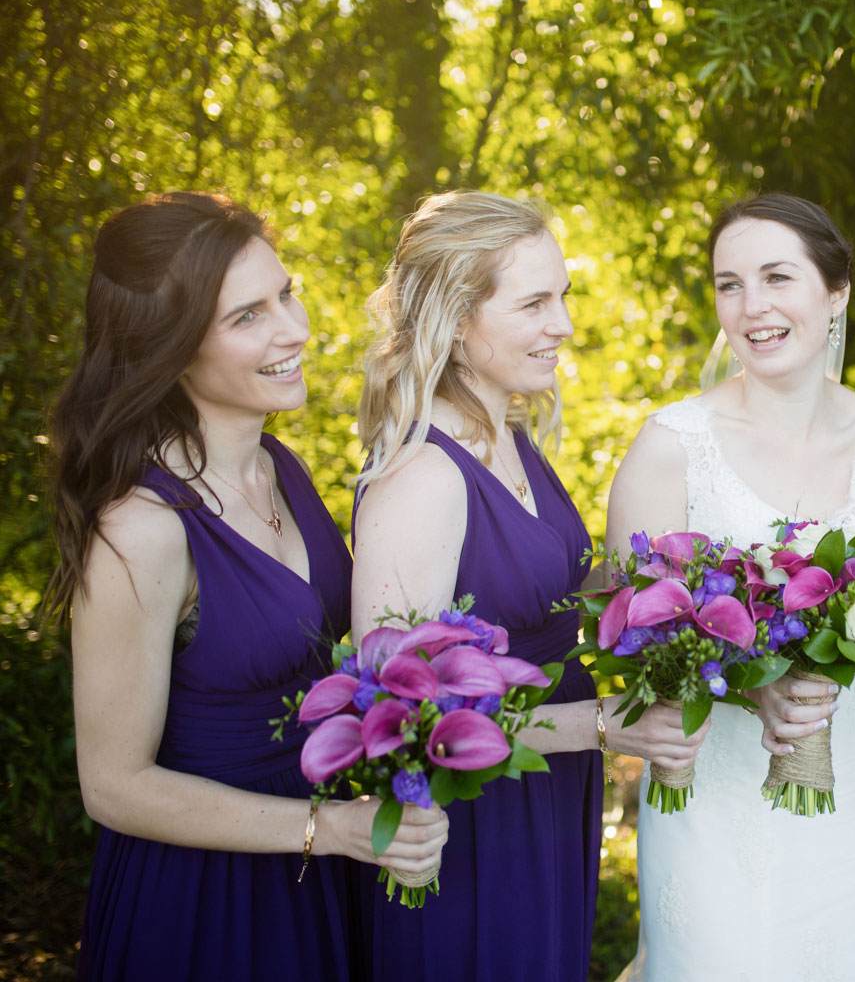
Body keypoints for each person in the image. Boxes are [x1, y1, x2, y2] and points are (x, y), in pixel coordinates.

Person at [42, 191, 447, 981]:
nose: (294, 329)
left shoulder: (281, 468)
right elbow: (115, 786)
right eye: (247, 316)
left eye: (286, 294)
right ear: (170, 346)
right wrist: (327, 829)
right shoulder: (140, 530)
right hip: (204, 904)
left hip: (321, 875)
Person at [351, 190, 704, 981]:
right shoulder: (423, 478)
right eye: (535, 302)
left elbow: (546, 597)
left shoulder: (506, 436)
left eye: (564, 297)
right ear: (456, 319)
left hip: (544, 795)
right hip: (470, 826)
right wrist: (599, 727)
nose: (565, 326)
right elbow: (397, 720)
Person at [606, 192, 855, 981]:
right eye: (729, 284)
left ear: (837, 290)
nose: (751, 306)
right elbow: (630, 648)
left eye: (777, 277)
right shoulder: (670, 446)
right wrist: (755, 691)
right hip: (716, 797)